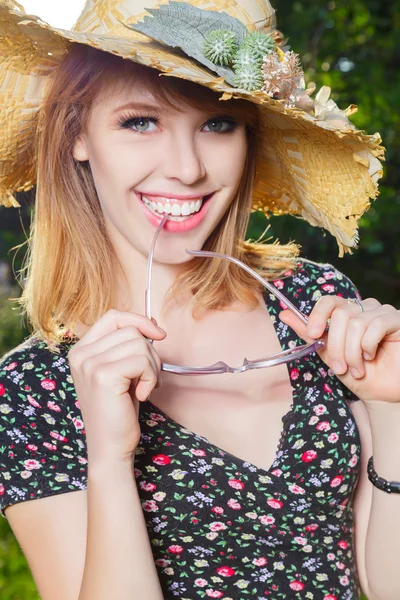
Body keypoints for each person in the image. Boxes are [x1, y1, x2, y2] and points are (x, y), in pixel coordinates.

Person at [0, 1, 398, 599]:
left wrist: (393, 408)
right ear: (78, 135)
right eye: (140, 122)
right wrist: (109, 458)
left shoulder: (313, 304)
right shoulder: (32, 389)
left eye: (217, 124)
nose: (187, 170)